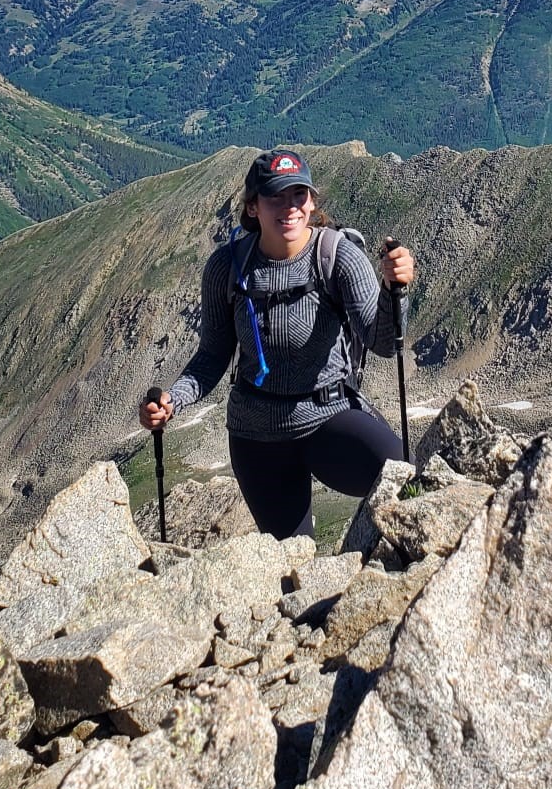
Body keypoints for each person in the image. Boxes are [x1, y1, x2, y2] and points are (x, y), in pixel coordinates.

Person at [139, 149, 415, 539]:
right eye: (275, 197)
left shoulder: (339, 258)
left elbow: (383, 342)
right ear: (253, 207)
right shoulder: (226, 268)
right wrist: (172, 402)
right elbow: (212, 357)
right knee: (292, 560)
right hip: (257, 438)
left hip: (330, 416)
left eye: (299, 195)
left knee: (410, 482)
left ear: (312, 201)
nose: (290, 207)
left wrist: (393, 289)